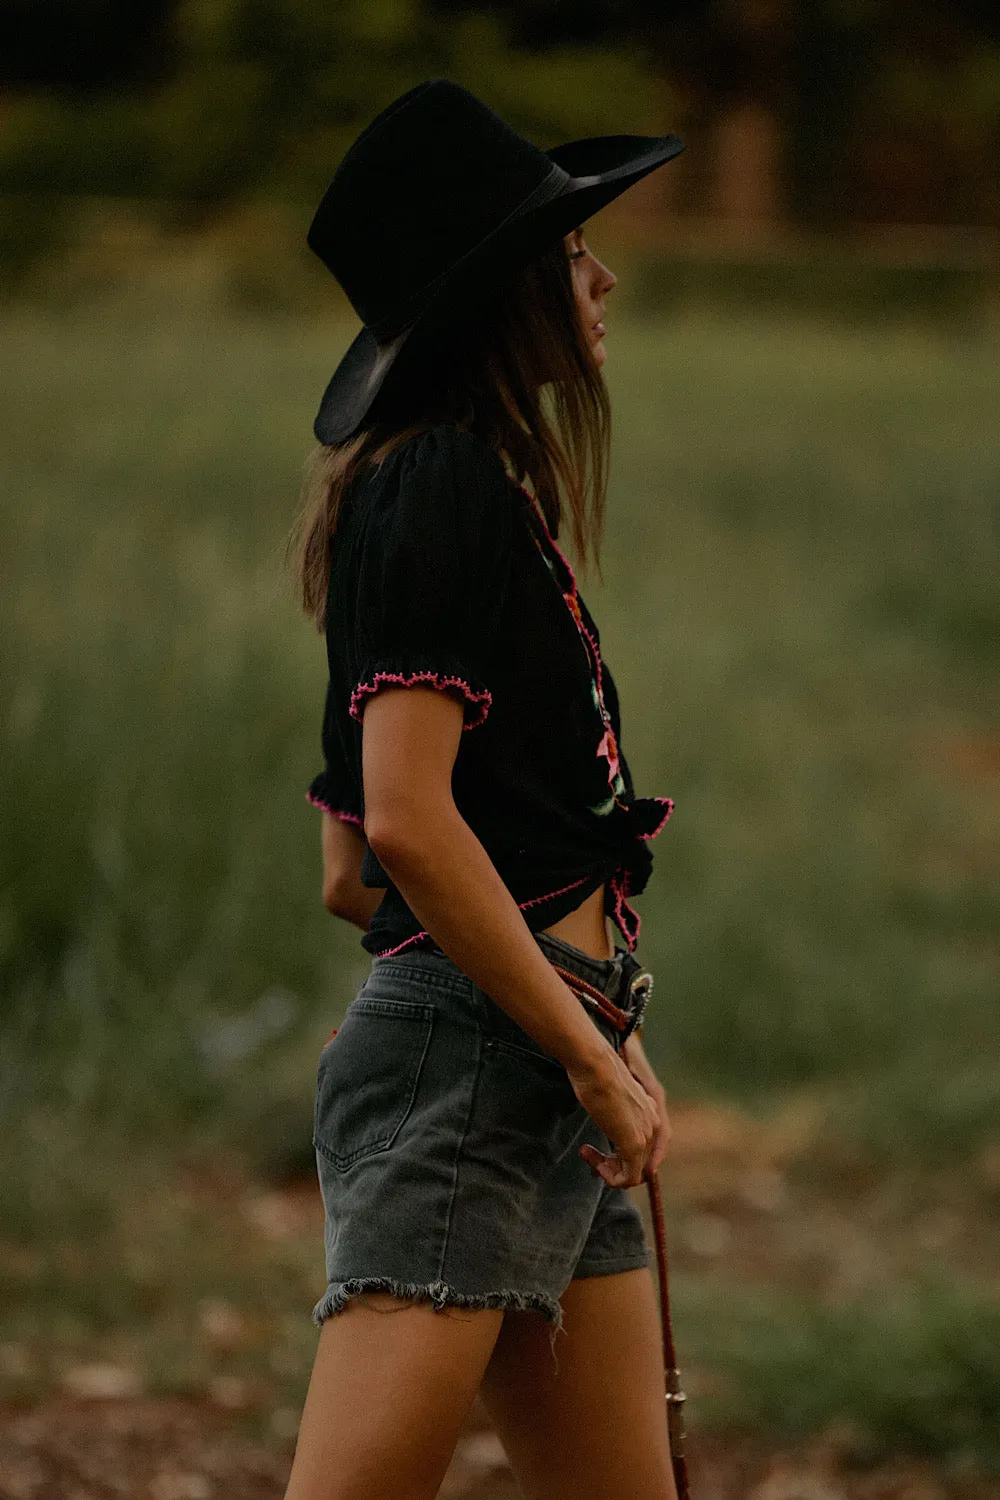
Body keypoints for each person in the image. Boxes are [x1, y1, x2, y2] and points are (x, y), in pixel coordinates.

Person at [285, 80, 685, 1500]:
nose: (605, 275)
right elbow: (401, 823)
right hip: (494, 1061)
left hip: (532, 1042)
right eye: (576, 251)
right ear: (513, 284)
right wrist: (568, 1045)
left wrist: (578, 1028)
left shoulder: (433, 488)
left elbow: (352, 875)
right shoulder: (445, 485)